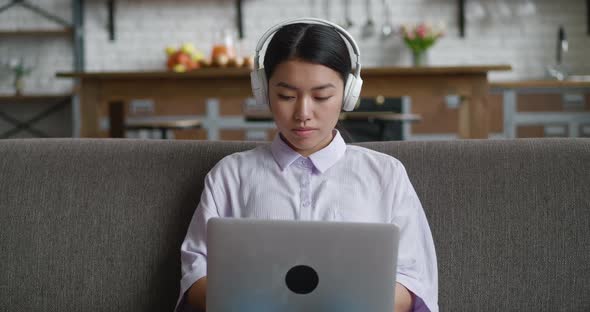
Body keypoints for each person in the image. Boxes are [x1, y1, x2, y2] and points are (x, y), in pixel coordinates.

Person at [176, 18, 438, 312]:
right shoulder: (231, 175)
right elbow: (195, 273)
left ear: (349, 94)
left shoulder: (387, 175)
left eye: (321, 96)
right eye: (286, 96)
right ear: (263, 90)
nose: (303, 113)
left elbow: (414, 280)